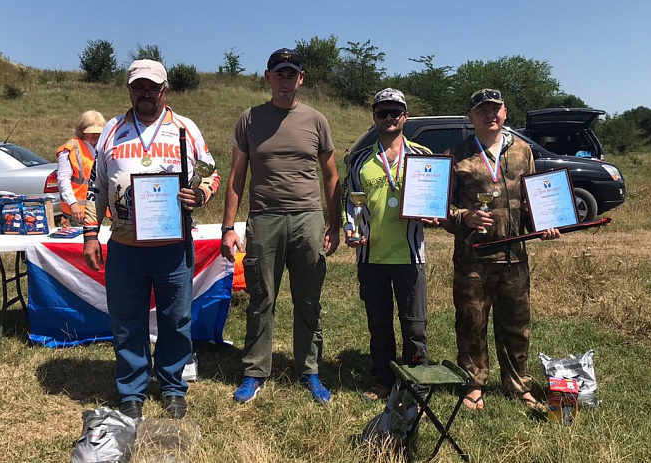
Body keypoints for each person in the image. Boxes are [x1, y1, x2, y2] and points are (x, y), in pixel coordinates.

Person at [82, 59, 220, 420]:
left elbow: (211, 174)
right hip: (126, 246)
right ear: (129, 89)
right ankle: (132, 389)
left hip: (173, 247)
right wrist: (90, 235)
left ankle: (173, 386)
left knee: (176, 319)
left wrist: (201, 195)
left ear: (165, 90)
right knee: (127, 321)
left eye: (152, 87)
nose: (145, 93)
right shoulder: (112, 130)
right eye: (138, 86)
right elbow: (96, 188)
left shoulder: (185, 129)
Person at [220, 48, 341, 404]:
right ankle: (255, 371)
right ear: (268, 77)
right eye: (279, 74)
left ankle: (310, 370)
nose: (285, 81)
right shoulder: (250, 119)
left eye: (292, 74)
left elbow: (331, 176)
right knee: (261, 298)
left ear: (301, 78)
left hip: (308, 218)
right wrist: (229, 227)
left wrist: (334, 225)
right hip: (265, 218)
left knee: (308, 299)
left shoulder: (316, 120)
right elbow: (236, 177)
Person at [443, 88, 560, 410]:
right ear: (471, 117)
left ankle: (519, 384)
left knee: (517, 324)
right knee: (471, 322)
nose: (490, 115)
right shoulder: (458, 155)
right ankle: (474, 383)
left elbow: (534, 201)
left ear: (505, 113)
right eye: (482, 110)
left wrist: (544, 223)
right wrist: (464, 216)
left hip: (514, 256)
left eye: (495, 109)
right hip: (473, 257)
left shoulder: (523, 151)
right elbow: (441, 210)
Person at [343, 88, 436, 402]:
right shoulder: (359, 161)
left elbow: (437, 199)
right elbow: (351, 205)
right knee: (379, 325)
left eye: (395, 112)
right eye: (382, 112)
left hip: (410, 255)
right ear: (374, 117)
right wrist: (349, 228)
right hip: (372, 255)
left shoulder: (424, 157)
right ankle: (383, 380)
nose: (389, 117)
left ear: (405, 116)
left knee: (415, 325)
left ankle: (416, 382)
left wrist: (436, 214)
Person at [56, 110, 106, 227]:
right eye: (90, 132)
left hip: (95, 210)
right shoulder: (70, 149)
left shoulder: (101, 148)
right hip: (75, 213)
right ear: (81, 131)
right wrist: (73, 204)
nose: (95, 135)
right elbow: (63, 179)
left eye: (98, 132)